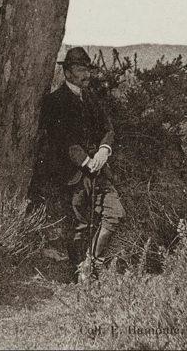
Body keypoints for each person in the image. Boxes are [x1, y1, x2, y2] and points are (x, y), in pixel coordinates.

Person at [40, 46, 125, 279]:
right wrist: (87, 161)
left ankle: (94, 262)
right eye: (80, 69)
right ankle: (81, 271)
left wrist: (103, 151)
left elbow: (107, 129)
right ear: (67, 72)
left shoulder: (91, 98)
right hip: (73, 174)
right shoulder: (55, 101)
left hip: (98, 169)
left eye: (87, 69)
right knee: (79, 226)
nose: (86, 74)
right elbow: (63, 140)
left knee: (114, 213)